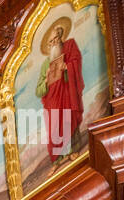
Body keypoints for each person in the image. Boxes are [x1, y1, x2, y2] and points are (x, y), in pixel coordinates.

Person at [37, 19, 84, 163]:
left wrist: (68, 67)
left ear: (61, 36)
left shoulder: (70, 47)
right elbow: (39, 91)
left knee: (69, 119)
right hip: (52, 103)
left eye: (55, 39)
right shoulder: (46, 64)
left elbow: (76, 62)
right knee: (55, 129)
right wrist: (45, 83)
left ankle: (72, 151)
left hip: (67, 95)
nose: (53, 43)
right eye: (50, 42)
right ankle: (60, 158)